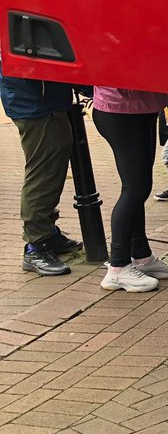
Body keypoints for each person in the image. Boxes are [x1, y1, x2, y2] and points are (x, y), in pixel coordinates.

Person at [92, 86, 168, 291]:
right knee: (135, 188)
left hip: (143, 106)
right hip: (121, 109)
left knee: (139, 187)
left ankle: (142, 257)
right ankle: (117, 267)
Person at [0, 56, 83, 276]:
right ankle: (36, 245)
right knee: (43, 172)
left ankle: (46, 234)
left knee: (51, 166)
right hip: (35, 101)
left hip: (44, 99)